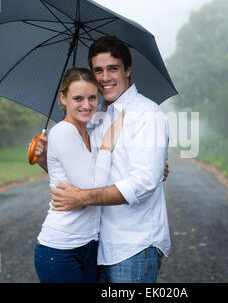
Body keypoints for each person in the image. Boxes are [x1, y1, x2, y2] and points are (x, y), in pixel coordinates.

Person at [33, 36, 171, 283]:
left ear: (127, 70)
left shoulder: (146, 115)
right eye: (98, 70)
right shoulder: (95, 117)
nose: (105, 77)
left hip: (133, 245)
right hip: (97, 246)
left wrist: (84, 197)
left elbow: (145, 182)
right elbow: (84, 176)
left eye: (113, 69)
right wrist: (49, 161)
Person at [34, 67, 124, 283]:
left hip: (89, 245)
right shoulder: (64, 132)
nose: (87, 105)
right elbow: (92, 189)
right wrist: (107, 146)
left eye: (92, 97)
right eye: (78, 98)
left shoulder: (89, 132)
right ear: (62, 98)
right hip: (61, 249)